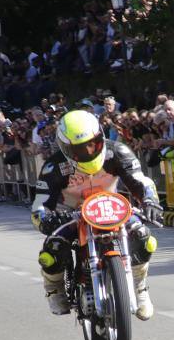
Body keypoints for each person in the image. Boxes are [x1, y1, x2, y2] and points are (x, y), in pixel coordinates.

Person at [31, 110, 163, 320]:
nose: (89, 150)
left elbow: (142, 181)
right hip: (72, 214)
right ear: (65, 148)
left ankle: (140, 287)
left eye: (93, 143)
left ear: (101, 136)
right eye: (80, 149)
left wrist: (150, 201)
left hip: (112, 207)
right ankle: (53, 288)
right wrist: (46, 218)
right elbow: (39, 205)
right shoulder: (53, 166)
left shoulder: (117, 151)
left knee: (144, 237)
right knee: (52, 248)